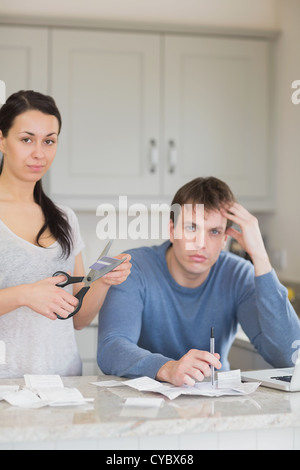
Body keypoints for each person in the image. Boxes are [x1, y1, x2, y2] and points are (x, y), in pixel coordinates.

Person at [97, 177, 300, 386]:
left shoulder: (238, 274)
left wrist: (260, 256)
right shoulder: (134, 267)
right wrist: (168, 368)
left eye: (214, 232)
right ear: (172, 230)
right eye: (191, 227)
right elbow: (111, 348)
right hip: (142, 404)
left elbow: (290, 357)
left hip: (214, 402)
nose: (201, 243)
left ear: (224, 240)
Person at [0, 90, 131, 378]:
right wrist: (24, 294)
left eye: (49, 141)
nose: (39, 152)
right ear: (2, 140)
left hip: (64, 384)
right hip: (6, 387)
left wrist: (104, 280)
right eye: (26, 139)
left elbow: (79, 319)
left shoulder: (64, 218)